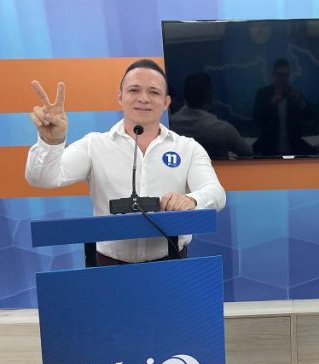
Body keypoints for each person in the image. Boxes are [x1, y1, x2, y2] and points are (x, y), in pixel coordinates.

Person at [25, 59, 226, 264]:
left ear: (166, 103)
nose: (144, 99)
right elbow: (42, 178)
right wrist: (51, 142)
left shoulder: (188, 148)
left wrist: (192, 200)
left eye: (154, 92)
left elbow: (216, 193)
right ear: (120, 97)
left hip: (171, 263)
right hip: (109, 266)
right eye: (134, 90)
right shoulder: (94, 145)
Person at [170, 73, 253, 159]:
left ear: (185, 96)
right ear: (210, 96)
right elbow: (247, 152)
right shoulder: (222, 129)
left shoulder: (170, 126)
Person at [252, 58, 316, 156]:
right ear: (273, 75)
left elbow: (312, 116)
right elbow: (256, 117)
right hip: (269, 150)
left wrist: (301, 103)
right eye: (280, 75)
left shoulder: (294, 94)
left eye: (286, 75)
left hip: (294, 149)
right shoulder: (263, 94)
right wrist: (271, 104)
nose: (283, 78)